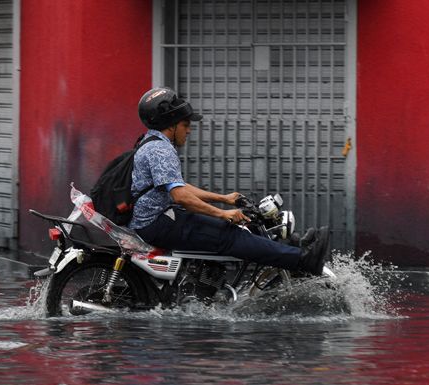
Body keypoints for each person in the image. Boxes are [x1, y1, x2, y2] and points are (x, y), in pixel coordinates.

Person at [129, 87, 329, 275]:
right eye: (185, 124)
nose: (189, 131)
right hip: (157, 224)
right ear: (170, 125)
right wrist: (223, 214)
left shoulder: (151, 143)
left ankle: (291, 253)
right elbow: (180, 196)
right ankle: (303, 260)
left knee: (228, 231)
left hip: (160, 219)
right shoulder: (161, 150)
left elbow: (179, 186)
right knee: (230, 235)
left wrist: (224, 198)